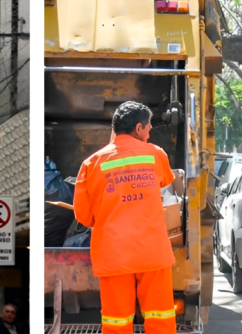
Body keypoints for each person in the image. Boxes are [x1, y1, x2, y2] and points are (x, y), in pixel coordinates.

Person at [74, 101, 177, 334]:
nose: (149, 134)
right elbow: (167, 186)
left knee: (116, 321)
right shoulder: (156, 155)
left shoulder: (92, 163)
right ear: (139, 127)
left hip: (113, 253)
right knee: (160, 316)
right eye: (149, 129)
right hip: (152, 250)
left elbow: (83, 215)